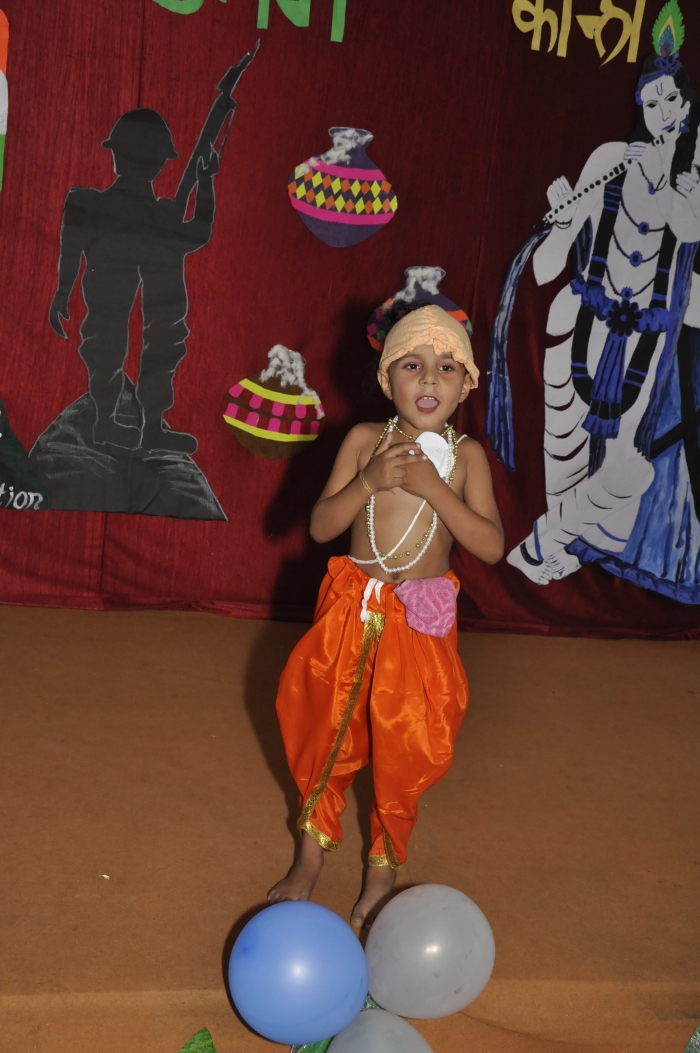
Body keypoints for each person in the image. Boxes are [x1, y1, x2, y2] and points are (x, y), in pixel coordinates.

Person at [268, 303, 504, 931]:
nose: (429, 378)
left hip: (417, 625)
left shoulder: (466, 457)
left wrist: (435, 490)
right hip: (351, 610)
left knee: (405, 747)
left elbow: (490, 546)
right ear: (385, 379)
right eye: (412, 365)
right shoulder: (362, 441)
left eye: (447, 367)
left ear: (466, 384)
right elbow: (321, 527)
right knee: (325, 732)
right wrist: (369, 481)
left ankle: (382, 872)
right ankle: (309, 857)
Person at [504, 39, 700, 588]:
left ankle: (541, 543)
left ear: (687, 107)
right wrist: (565, 220)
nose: (661, 112)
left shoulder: (691, 186)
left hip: (646, 343)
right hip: (577, 325)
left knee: (627, 473)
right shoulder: (610, 160)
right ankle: (556, 552)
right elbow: (544, 268)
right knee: (565, 464)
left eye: (671, 101)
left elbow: (687, 230)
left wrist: (670, 184)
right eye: (651, 102)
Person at [49, 108, 219, 454]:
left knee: (132, 330)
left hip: (121, 291)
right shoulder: (151, 213)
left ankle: (131, 424)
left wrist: (63, 292)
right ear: (160, 163)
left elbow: (71, 250)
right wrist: (205, 182)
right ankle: (124, 423)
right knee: (140, 331)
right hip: (120, 290)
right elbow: (199, 231)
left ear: (115, 155)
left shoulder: (91, 204)